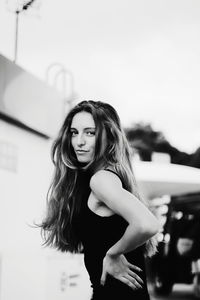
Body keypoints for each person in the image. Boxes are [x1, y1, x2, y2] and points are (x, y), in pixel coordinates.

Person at [39, 100, 160, 300]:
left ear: (110, 138)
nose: (79, 141)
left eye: (90, 133)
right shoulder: (104, 178)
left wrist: (113, 254)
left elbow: (147, 224)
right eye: (74, 132)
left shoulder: (101, 179)